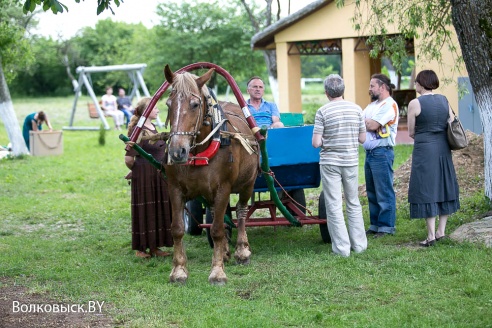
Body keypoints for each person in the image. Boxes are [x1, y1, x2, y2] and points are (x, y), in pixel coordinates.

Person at [312, 74, 367, 257]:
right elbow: (362, 138)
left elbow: (316, 143)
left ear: (327, 92)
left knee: (334, 204)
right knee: (353, 202)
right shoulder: (357, 109)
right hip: (350, 161)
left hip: (330, 163)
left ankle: (342, 249)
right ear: (343, 90)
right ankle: (359, 245)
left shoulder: (322, 112)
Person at [407, 70, 460, 247]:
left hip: (424, 149)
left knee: (426, 187)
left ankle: (430, 235)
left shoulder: (415, 103)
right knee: (444, 185)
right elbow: (450, 122)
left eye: (416, 82)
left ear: (421, 83)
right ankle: (441, 231)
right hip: (443, 148)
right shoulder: (444, 100)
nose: (415, 85)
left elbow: (411, 132)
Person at [124, 97, 173, 258]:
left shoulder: (152, 127)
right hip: (145, 176)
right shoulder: (137, 130)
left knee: (158, 209)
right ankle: (141, 249)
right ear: (146, 110)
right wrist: (139, 171)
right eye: (155, 108)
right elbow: (129, 159)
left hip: (159, 174)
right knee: (146, 210)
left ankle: (155, 247)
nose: (158, 110)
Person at [363, 73, 399, 238]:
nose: (369, 89)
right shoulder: (373, 106)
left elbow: (371, 125)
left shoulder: (389, 105)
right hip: (370, 153)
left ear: (382, 87)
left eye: (372, 86)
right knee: (372, 191)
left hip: (382, 152)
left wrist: (366, 122)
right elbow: (361, 120)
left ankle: (386, 226)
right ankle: (375, 224)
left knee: (383, 190)